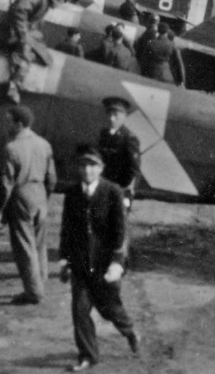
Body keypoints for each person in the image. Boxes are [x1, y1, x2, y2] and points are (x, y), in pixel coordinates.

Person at [58, 145, 140, 371]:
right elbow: (67, 229)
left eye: (92, 165)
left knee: (109, 308)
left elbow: (120, 231)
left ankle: (129, 331)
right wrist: (64, 259)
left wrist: (116, 262)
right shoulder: (72, 194)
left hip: (105, 264)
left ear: (101, 168)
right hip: (81, 264)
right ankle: (88, 356)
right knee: (80, 310)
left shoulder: (112, 192)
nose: (87, 170)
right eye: (83, 165)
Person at [0, 105, 57, 305]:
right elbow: (52, 177)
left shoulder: (12, 148)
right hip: (40, 194)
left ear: (19, 124)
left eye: (9, 121)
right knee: (39, 243)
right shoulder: (44, 144)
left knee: (24, 247)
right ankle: (41, 279)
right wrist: (45, 196)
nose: (6, 124)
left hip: (21, 195)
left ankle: (34, 292)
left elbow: (5, 184)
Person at [0, 0, 73, 103]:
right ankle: (14, 86)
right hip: (10, 32)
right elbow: (20, 9)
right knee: (25, 53)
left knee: (42, 50)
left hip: (18, 30)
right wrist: (23, 34)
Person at [97, 98, 140, 207]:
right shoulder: (104, 135)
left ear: (124, 117)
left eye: (116, 115)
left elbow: (133, 169)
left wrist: (122, 190)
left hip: (120, 190)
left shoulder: (130, 138)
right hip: (103, 186)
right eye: (109, 114)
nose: (112, 119)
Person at [138, 22, 185, 86]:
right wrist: (181, 80)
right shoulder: (172, 45)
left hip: (152, 74)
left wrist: (143, 74)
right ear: (167, 31)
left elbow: (144, 61)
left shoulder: (151, 43)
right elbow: (179, 64)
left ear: (158, 30)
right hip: (167, 76)